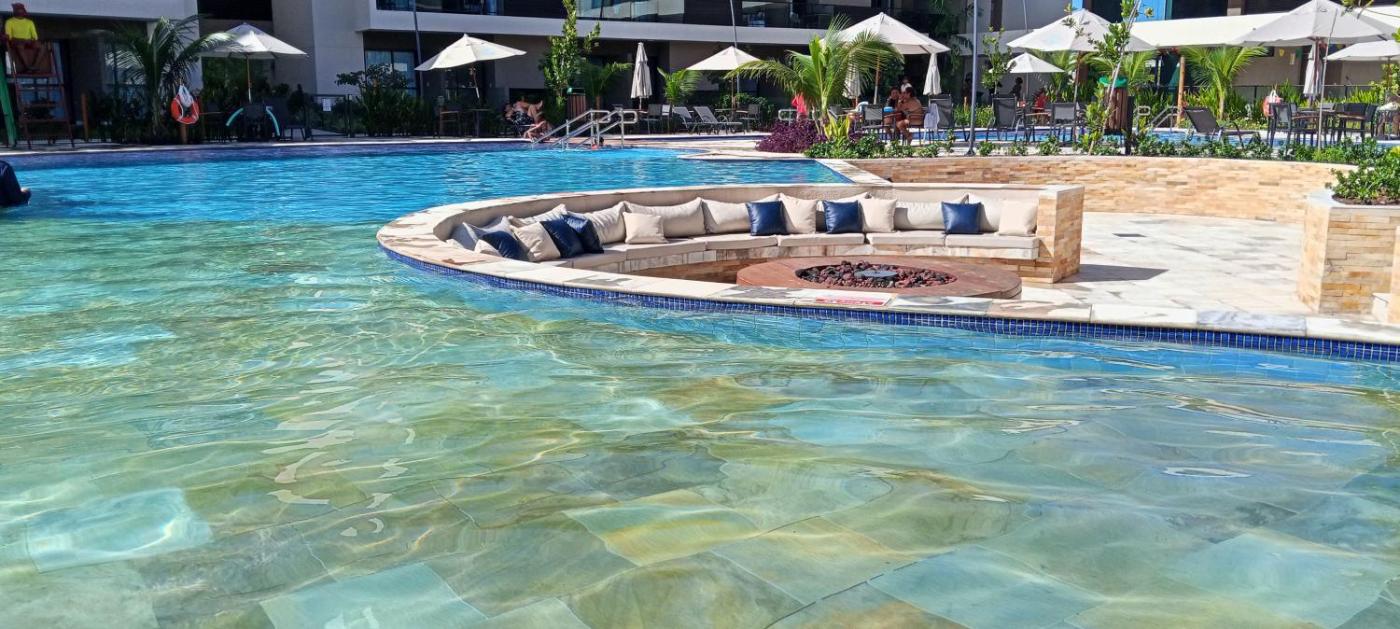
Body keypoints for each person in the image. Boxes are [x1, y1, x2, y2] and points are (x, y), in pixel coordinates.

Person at [4, 3, 43, 75]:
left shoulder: (30, 22)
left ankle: (35, 66)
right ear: (14, 11)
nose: (20, 12)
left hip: (28, 41)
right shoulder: (9, 21)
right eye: (17, 10)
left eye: (21, 10)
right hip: (16, 41)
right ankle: (28, 67)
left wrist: (33, 40)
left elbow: (35, 36)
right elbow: (9, 36)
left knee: (41, 46)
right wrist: (20, 40)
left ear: (24, 11)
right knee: (20, 46)